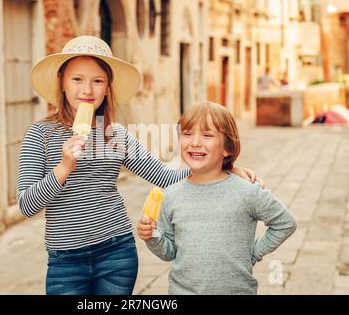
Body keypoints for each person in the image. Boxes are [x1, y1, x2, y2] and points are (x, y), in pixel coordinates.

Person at [18, 36, 262, 295]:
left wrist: (223, 169)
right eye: (77, 79)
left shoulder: (116, 135)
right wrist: (63, 168)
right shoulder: (40, 135)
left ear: (107, 88)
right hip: (64, 261)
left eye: (97, 81)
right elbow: (26, 205)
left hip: (116, 252)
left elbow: (165, 177)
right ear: (62, 83)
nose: (87, 90)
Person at [137, 101, 297, 295]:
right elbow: (169, 252)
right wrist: (152, 236)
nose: (195, 142)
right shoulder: (170, 195)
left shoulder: (247, 191)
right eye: (187, 134)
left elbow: (285, 223)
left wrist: (253, 252)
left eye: (207, 135)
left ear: (228, 148)